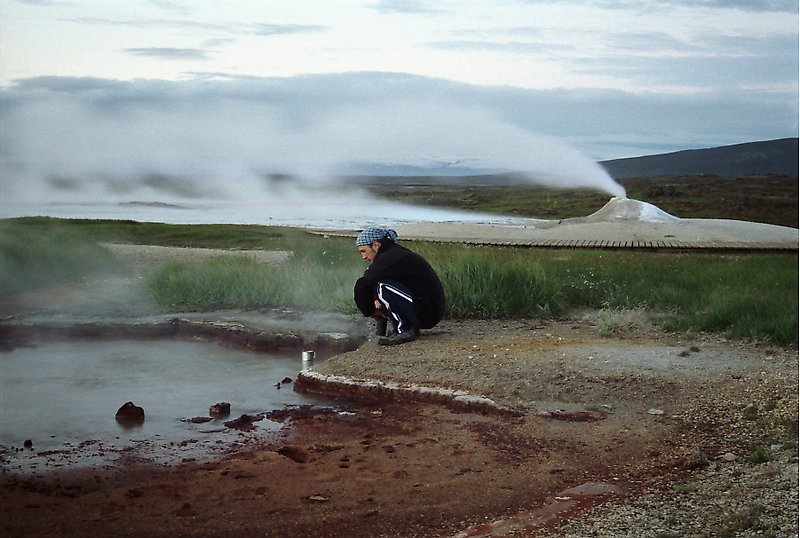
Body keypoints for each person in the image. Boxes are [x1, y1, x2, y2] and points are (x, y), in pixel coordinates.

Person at [353, 227, 445, 346]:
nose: (363, 257)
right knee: (378, 285)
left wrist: (371, 312)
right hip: (426, 309)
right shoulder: (393, 254)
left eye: (363, 251)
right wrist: (375, 299)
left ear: (375, 245)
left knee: (382, 286)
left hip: (427, 312)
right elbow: (371, 282)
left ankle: (404, 330)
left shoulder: (391, 257)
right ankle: (405, 326)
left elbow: (361, 286)